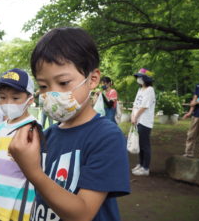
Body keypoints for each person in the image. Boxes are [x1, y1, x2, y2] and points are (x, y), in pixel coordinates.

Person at [8, 27, 130, 221]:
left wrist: (32, 171)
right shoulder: (46, 136)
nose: (52, 94)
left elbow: (82, 214)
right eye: (43, 86)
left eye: (63, 83)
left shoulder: (107, 137)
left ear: (93, 79)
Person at [0, 68, 37, 221]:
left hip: (22, 206)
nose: (8, 103)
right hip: (0, 201)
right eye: (3, 97)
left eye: (15, 98)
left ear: (30, 99)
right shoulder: (2, 127)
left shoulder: (33, 129)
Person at [131, 68, 156, 176]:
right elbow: (135, 104)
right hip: (137, 120)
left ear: (146, 78)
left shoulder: (150, 90)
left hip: (144, 121)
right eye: (138, 77)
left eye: (140, 77)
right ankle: (140, 164)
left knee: (145, 145)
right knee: (139, 144)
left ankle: (145, 168)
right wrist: (133, 116)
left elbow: (144, 106)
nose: (139, 79)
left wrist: (135, 117)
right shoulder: (140, 90)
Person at [183, 65, 199, 164]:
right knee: (191, 134)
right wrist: (190, 112)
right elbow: (194, 98)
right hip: (196, 114)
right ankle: (188, 152)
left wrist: (197, 102)